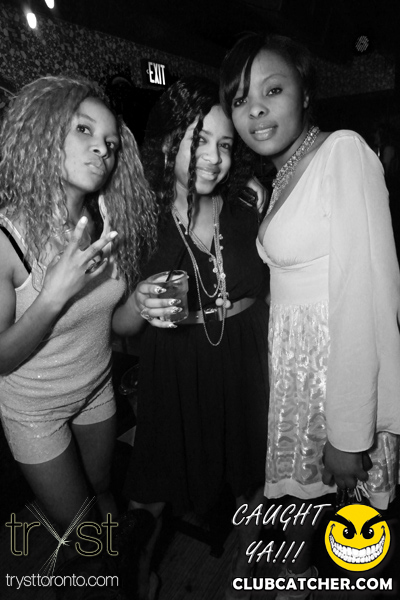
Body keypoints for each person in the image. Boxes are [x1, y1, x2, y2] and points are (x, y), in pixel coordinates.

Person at [220, 33, 400, 597]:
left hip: (340, 391)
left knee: (356, 552)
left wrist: (349, 432)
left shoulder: (342, 152)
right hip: (301, 387)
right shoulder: (281, 175)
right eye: (240, 99)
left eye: (272, 90)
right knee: (318, 538)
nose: (255, 109)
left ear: (304, 92)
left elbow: (366, 295)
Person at [111, 76, 270, 600]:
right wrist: (137, 302)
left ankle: (254, 565)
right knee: (152, 488)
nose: (215, 157)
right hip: (176, 367)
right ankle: (137, 581)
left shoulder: (248, 203)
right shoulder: (142, 222)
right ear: (167, 144)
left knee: (253, 472)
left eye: (225, 144)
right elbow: (120, 327)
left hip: (245, 358)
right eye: (199, 140)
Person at [0, 76, 158, 554]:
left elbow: (114, 326)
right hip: (35, 410)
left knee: (104, 490)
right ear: (46, 133)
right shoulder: (8, 238)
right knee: (80, 530)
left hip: (95, 388)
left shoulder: (106, 223)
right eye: (84, 130)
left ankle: (122, 576)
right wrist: (52, 297)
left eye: (111, 142)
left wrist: (139, 303)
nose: (102, 149)